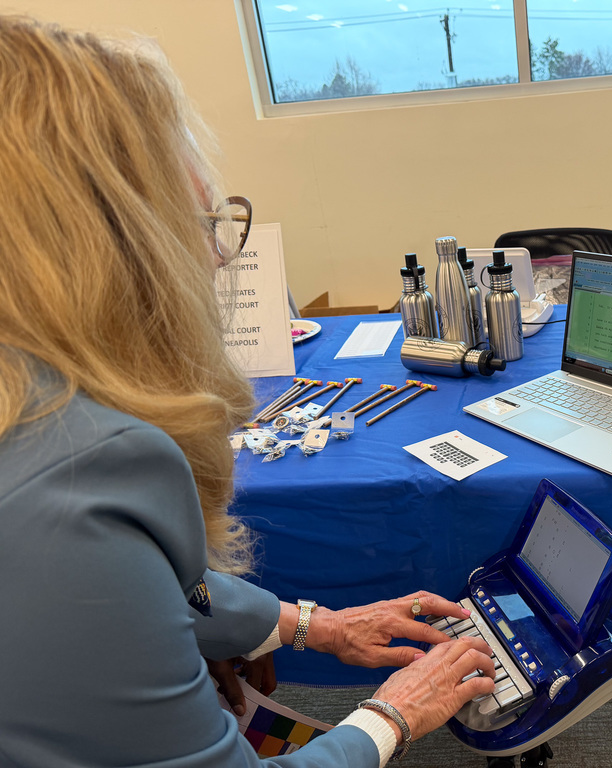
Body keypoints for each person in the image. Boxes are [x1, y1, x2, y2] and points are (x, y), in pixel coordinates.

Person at [0, 15, 495, 767]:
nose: (221, 255)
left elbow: (142, 594)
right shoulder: (77, 475)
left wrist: (315, 627)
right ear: (105, 244)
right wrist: (393, 716)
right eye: (197, 220)